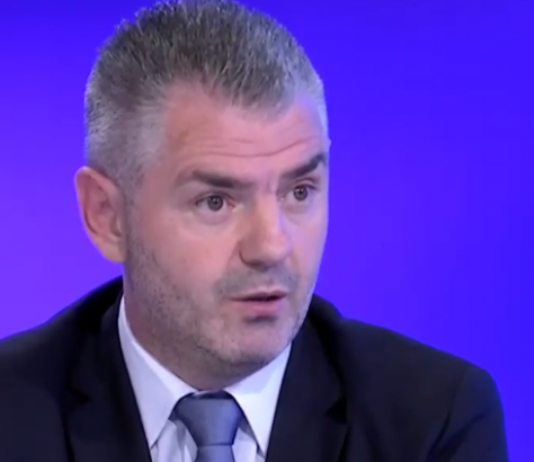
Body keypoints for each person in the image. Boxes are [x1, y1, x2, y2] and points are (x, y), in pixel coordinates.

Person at [0, 1, 508, 461]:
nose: (272, 246)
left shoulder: (434, 422)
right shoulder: (13, 417)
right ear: (107, 216)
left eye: (300, 192)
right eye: (215, 201)